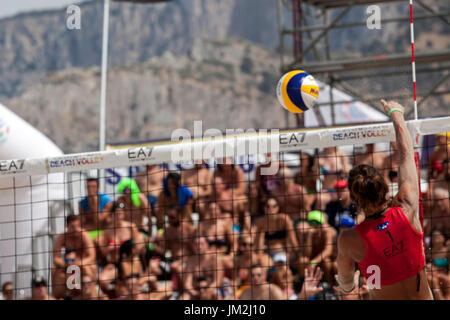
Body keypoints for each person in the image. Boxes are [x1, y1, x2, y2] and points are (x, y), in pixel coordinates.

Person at [336, 100, 433, 300]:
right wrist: (396, 113)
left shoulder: (349, 239)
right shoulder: (406, 207)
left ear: (355, 200)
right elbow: (406, 154)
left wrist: (350, 283)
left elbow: (346, 285)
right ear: (385, 188)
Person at [254, 197, 300, 261]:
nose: (271, 208)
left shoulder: (284, 219)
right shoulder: (260, 222)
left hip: (283, 252)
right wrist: (259, 256)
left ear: (278, 208)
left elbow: (293, 240)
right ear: (264, 208)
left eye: (274, 206)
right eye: (268, 206)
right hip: (268, 254)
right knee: (262, 261)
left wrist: (297, 254)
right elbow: (257, 243)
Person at [53, 214, 97, 280]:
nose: (76, 229)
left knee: (90, 267)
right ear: (67, 226)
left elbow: (92, 256)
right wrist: (65, 264)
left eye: (78, 226)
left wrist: (79, 263)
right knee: (54, 270)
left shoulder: (84, 235)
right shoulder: (61, 237)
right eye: (73, 226)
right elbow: (55, 258)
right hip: (68, 264)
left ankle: (93, 287)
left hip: (83, 263)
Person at [182, 235, 224, 300]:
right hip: (196, 289)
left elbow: (217, 281)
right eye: (196, 244)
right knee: (184, 298)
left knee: (217, 296)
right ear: (193, 247)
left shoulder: (215, 259)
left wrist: (208, 291)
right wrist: (194, 292)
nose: (199, 247)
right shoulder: (190, 261)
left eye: (201, 244)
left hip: (212, 288)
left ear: (207, 245)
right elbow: (187, 283)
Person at [302, 210, 337, 285]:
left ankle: (330, 285)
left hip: (327, 259)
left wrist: (314, 261)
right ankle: (305, 284)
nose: (314, 226)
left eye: (317, 223)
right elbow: (306, 254)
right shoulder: (308, 233)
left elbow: (328, 251)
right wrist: (309, 237)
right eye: (312, 223)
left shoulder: (327, 232)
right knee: (303, 261)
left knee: (327, 263)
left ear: (322, 223)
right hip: (316, 259)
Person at [232, 234, 272, 299]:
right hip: (243, 290)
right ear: (241, 246)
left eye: (250, 245)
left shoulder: (259, 259)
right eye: (244, 244)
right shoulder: (238, 261)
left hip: (257, 288)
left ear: (254, 246)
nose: (247, 247)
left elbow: (267, 269)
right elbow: (234, 280)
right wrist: (235, 294)